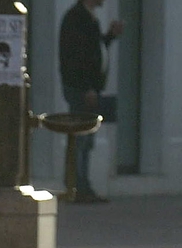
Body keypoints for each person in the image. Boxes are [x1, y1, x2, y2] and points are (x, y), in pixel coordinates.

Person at [58, 0, 122, 203]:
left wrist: (110, 36)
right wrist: (87, 87)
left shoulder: (88, 18)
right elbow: (76, 56)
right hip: (82, 89)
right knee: (81, 139)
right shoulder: (76, 18)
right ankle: (77, 186)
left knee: (86, 139)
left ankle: (81, 185)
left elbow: (94, 50)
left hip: (89, 89)